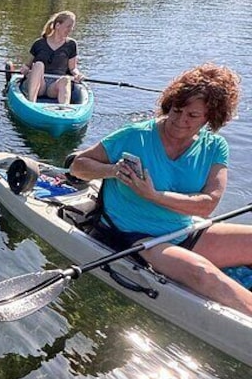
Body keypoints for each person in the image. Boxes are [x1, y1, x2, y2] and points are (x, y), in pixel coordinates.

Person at [70, 63, 252, 316]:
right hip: (137, 236)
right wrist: (113, 171)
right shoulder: (136, 135)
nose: (180, 121)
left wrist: (153, 195)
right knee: (204, 273)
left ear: (211, 117)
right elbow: (78, 165)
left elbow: (208, 204)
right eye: (177, 110)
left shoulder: (215, 146)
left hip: (184, 229)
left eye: (192, 116)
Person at [18, 11, 84, 104]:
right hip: (40, 83)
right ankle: (31, 103)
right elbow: (27, 65)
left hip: (55, 86)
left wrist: (77, 74)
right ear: (57, 25)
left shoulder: (71, 45)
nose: (71, 29)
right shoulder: (39, 43)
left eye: (72, 26)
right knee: (38, 64)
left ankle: (64, 110)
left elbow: (73, 68)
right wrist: (25, 68)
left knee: (66, 79)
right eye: (68, 26)